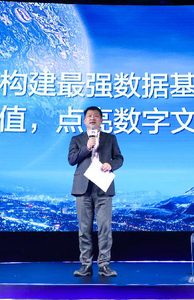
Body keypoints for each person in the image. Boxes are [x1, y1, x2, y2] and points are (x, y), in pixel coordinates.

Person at [68, 106, 124, 277]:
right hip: (83, 188)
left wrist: (111, 165)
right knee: (84, 229)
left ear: (101, 120)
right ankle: (85, 265)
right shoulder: (77, 139)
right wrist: (86, 147)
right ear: (85, 120)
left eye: (96, 116)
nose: (92, 118)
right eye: (89, 116)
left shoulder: (110, 138)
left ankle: (104, 265)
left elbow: (119, 158)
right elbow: (71, 160)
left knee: (105, 229)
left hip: (103, 187)